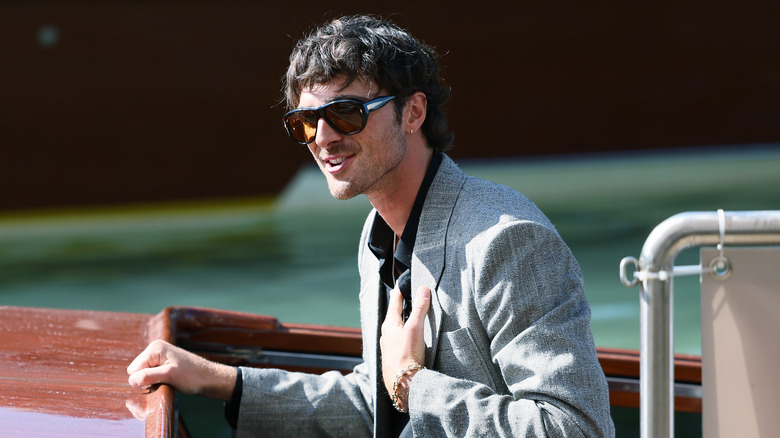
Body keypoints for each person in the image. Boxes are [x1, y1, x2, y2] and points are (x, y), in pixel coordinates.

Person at [127, 14, 615, 437]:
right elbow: (376, 404)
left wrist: (414, 384)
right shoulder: (377, 236)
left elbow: (574, 427)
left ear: (413, 112)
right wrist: (221, 379)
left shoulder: (506, 241)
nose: (323, 138)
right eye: (305, 122)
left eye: (345, 113)